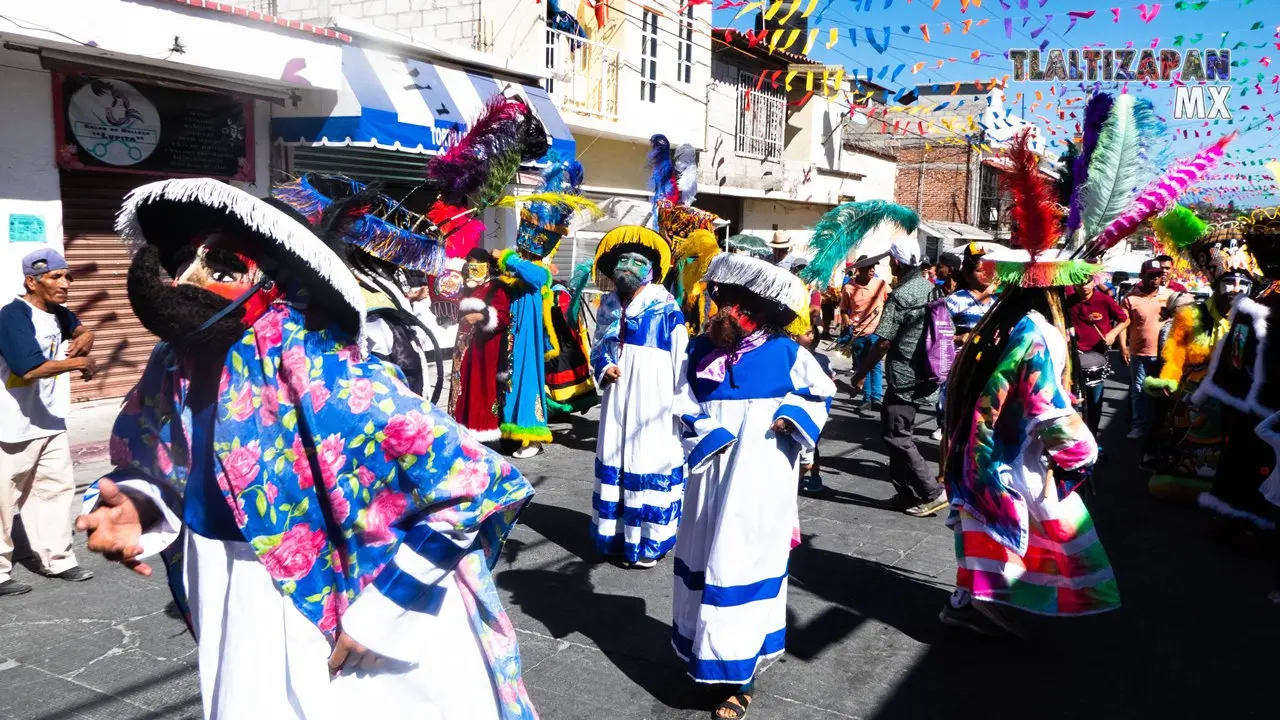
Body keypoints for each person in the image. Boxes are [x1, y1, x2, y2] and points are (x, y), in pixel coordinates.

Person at [75, 178, 538, 718]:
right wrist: (139, 500)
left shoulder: (320, 368)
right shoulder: (172, 363)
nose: (188, 279)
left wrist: (383, 612)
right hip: (232, 594)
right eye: (184, 260)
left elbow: (473, 482)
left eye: (221, 265)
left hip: (346, 606)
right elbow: (161, 463)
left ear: (270, 283)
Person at [940, 128, 1118, 637]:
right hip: (1016, 462)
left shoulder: (1007, 325)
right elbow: (1045, 405)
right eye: (1075, 284)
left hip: (986, 457)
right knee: (1058, 540)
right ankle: (982, 606)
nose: (1084, 290)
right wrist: (1080, 449)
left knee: (983, 537)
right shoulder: (1037, 332)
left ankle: (965, 603)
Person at [673, 253, 834, 719]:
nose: (725, 312)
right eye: (723, 301)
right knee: (705, 560)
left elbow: (820, 393)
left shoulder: (787, 353)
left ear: (757, 312)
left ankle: (738, 680)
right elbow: (680, 398)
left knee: (742, 563)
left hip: (761, 474)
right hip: (710, 474)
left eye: (737, 305)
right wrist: (706, 431)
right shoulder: (699, 350)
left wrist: (792, 417)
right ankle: (702, 658)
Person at [0, 248, 97, 597]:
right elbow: (28, 367)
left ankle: (58, 559)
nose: (66, 283)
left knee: (54, 491)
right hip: (11, 423)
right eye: (56, 277)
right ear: (32, 281)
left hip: (51, 419)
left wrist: (86, 338)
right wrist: (80, 363)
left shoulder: (59, 313)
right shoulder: (12, 316)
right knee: (3, 499)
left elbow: (80, 328)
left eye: (68, 276)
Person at [589, 226, 688, 568]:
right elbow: (599, 343)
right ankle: (615, 537)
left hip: (654, 394)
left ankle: (650, 541)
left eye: (637, 260)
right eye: (622, 259)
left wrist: (680, 400)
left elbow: (680, 353)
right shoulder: (608, 303)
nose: (627, 264)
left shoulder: (664, 304)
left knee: (648, 457)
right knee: (616, 452)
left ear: (651, 270)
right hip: (618, 394)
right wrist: (604, 366)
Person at [1193, 207, 1280, 539]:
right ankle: (1239, 521)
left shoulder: (1255, 305)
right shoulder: (1254, 306)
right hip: (1252, 408)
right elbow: (1234, 359)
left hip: (1257, 406)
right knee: (1245, 463)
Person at [852, 238, 948, 517]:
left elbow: (883, 341)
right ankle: (905, 492)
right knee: (892, 431)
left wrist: (860, 373)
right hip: (925, 371)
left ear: (896, 262)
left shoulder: (902, 295)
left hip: (905, 376)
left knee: (897, 435)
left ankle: (932, 491)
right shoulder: (931, 290)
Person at [451, 247, 512, 442]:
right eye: (468, 262)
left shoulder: (496, 287)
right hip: (465, 346)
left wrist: (480, 316)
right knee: (463, 385)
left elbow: (503, 317)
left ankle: (483, 431)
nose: (471, 266)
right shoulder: (468, 287)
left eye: (475, 262)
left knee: (481, 387)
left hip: (486, 348)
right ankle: (462, 427)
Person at [1066, 278, 1128, 438]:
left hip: (1097, 356)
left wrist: (1113, 333)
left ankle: (1092, 436)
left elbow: (1125, 319)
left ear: (1094, 282)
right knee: (1070, 399)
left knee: (1094, 401)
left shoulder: (1104, 300)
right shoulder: (1068, 301)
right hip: (1073, 355)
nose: (1084, 286)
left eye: (1087, 282)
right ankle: (1074, 438)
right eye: (1079, 283)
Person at [1120, 259, 1171, 439]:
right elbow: (1123, 325)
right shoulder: (1130, 299)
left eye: (1158, 275)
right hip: (1139, 353)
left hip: (1165, 355)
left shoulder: (1170, 297)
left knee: (1163, 392)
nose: (1155, 279)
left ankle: (1160, 427)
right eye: (1151, 276)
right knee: (1139, 392)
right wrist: (1123, 348)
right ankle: (1139, 427)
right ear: (1142, 276)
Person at [837, 253, 890, 415]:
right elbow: (844, 309)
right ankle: (867, 398)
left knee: (875, 364)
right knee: (863, 367)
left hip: (876, 331)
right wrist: (846, 319)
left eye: (874, 267)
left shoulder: (881, 285)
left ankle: (875, 397)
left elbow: (891, 303)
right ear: (860, 269)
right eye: (869, 267)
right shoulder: (849, 288)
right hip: (858, 332)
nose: (872, 270)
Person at [797, 326, 835, 497]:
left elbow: (830, 381)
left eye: (813, 334)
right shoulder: (820, 359)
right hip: (810, 410)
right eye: (807, 334)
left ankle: (803, 479)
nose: (811, 337)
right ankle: (814, 478)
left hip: (812, 409)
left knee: (807, 447)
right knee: (811, 446)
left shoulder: (817, 359)